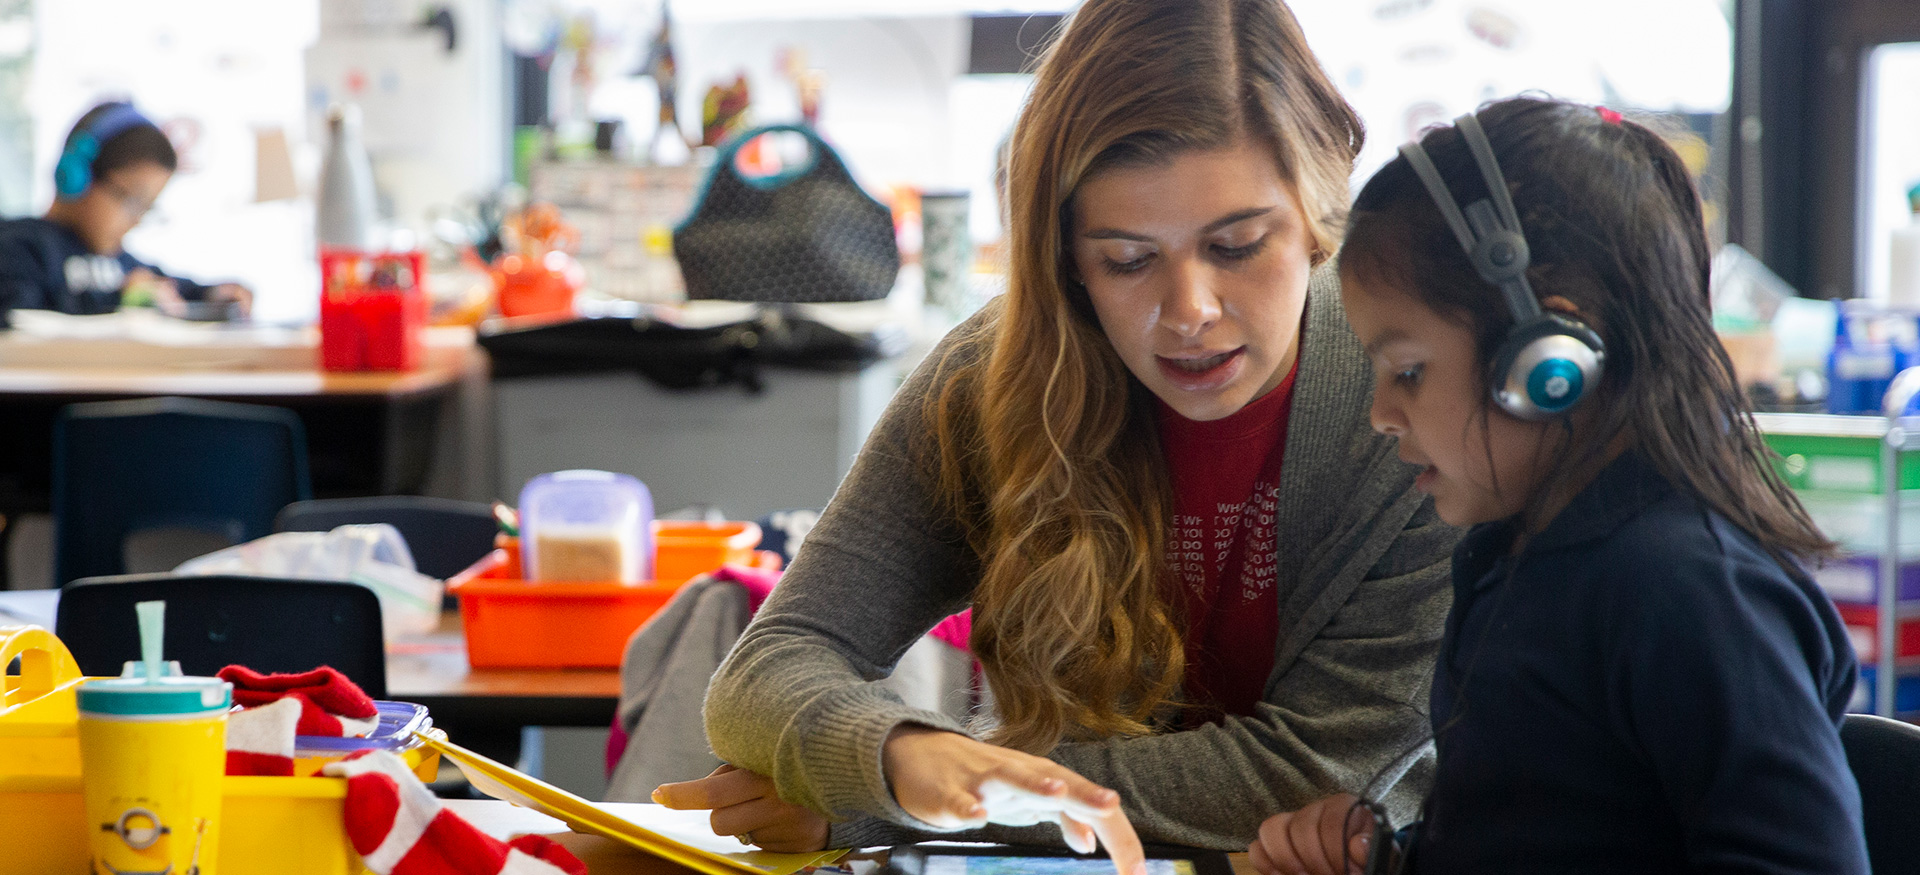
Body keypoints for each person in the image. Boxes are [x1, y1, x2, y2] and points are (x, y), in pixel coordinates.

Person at [651, 0, 1460, 865]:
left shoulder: (1407, 395)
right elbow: (769, 664)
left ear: (1318, 215)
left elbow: (1310, 773)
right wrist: (895, 759)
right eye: (1127, 259)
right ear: (1066, 258)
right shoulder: (991, 378)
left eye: (1237, 246)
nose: (1189, 311)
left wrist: (901, 797)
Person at [1247, 97, 1867, 874]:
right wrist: (1389, 860)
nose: (1381, 414)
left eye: (1407, 370)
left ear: (1546, 360)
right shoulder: (1515, 557)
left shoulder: (1690, 592)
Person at [0, 101, 252, 328]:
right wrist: (122, 302)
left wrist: (214, 295)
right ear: (76, 177)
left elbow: (173, 286)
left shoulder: (121, 263)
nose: (137, 219)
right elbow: (17, 319)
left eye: (146, 208)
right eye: (132, 202)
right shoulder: (20, 247)